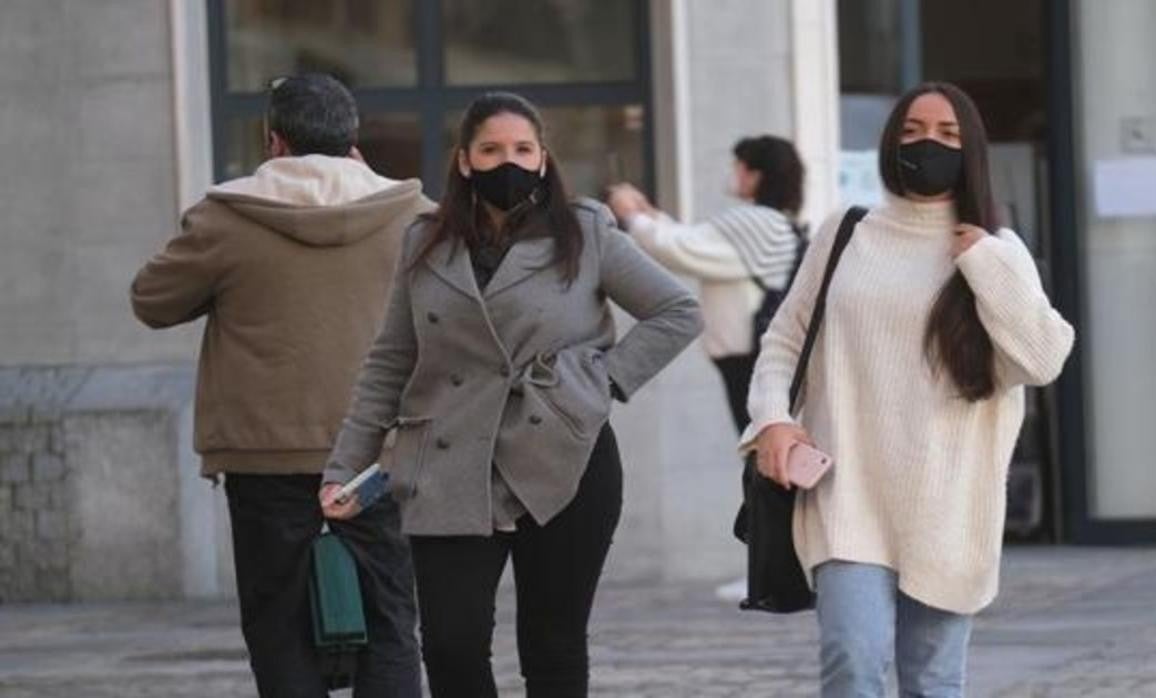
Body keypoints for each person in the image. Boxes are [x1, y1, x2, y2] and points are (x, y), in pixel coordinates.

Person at [319, 91, 702, 698]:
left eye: (523, 149)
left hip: (564, 459)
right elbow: (391, 359)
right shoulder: (424, 242)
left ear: (544, 158)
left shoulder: (585, 231)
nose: (509, 162)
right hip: (447, 463)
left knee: (552, 647)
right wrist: (345, 466)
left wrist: (599, 380)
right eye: (492, 150)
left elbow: (677, 310)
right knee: (449, 645)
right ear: (465, 161)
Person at [742, 82, 1074, 696]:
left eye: (948, 135)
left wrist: (983, 263)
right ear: (891, 144)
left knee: (932, 681)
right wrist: (771, 420)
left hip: (950, 503)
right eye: (914, 131)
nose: (928, 145)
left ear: (971, 150)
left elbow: (1044, 357)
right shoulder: (846, 232)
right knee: (851, 660)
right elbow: (785, 339)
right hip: (848, 491)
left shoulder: (1000, 251)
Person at [131, 73, 433, 697]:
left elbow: (152, 300)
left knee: (278, 629)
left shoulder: (227, 217)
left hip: (264, 454)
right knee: (393, 624)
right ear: (355, 142)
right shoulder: (413, 217)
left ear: (274, 142)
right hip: (382, 454)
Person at [607, 136, 806, 602]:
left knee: (767, 469)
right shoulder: (772, 223)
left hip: (755, 364)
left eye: (739, 165)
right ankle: (776, 570)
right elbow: (695, 240)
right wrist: (651, 216)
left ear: (755, 174)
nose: (732, 173)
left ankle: (772, 574)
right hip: (751, 361)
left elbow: (683, 248)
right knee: (768, 467)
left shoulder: (752, 221)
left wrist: (630, 214)